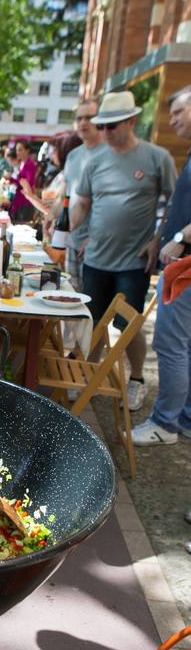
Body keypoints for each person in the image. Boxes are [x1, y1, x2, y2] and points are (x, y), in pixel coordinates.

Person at [70, 90, 176, 411]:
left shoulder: (157, 158)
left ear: (131, 121)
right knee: (94, 322)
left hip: (134, 261)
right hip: (96, 258)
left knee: (127, 327)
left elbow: (174, 203)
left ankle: (137, 380)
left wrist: (159, 238)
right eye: (102, 127)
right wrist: (69, 227)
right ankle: (89, 376)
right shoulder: (95, 160)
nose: (105, 133)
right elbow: (85, 204)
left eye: (112, 126)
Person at [132, 85, 191, 444]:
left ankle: (165, 423)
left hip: (185, 267)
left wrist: (181, 237)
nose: (172, 121)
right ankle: (182, 419)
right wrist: (160, 238)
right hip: (179, 265)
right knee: (183, 345)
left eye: (179, 113)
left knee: (170, 344)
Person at [47, 100, 107, 290]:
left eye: (89, 117)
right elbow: (63, 194)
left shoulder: (110, 154)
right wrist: (51, 216)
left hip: (97, 244)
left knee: (90, 304)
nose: (83, 122)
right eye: (79, 118)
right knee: (71, 294)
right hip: (72, 240)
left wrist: (96, 237)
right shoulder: (74, 155)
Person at [9, 139, 38, 223]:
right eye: (17, 150)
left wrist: (11, 179)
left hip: (25, 201)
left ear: (27, 150)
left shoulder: (30, 164)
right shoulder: (22, 163)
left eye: (20, 150)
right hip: (19, 199)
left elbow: (27, 184)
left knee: (22, 226)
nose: (17, 152)